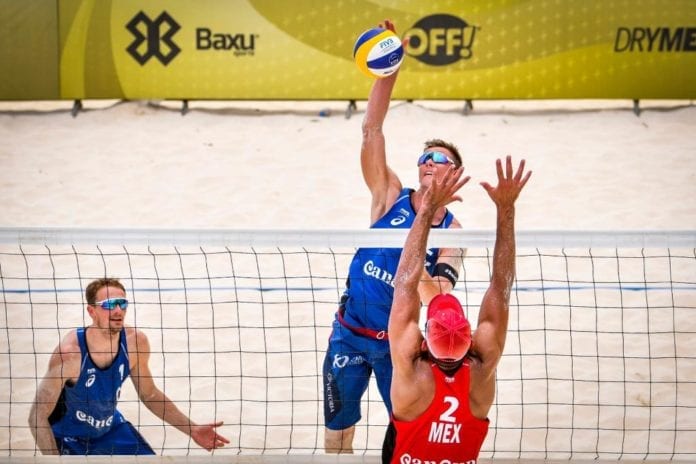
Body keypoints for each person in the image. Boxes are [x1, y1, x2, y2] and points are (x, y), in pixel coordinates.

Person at [323, 19, 466, 453]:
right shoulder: (389, 197)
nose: (429, 161)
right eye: (425, 157)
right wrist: (390, 70)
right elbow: (372, 129)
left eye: (439, 157)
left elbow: (435, 295)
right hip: (349, 333)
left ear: (455, 172)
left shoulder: (454, 233)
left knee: (405, 438)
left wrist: (422, 228)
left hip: (398, 349)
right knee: (337, 437)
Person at [382, 156, 531, 463]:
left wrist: (426, 210)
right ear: (470, 340)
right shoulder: (481, 370)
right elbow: (501, 286)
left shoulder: (411, 372)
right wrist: (506, 208)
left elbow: (405, 283)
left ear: (425, 341)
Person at [28, 277, 230, 455]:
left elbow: (150, 395)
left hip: (109, 429)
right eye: (109, 304)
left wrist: (192, 429)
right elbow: (37, 417)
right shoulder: (70, 355)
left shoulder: (135, 343)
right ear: (92, 311)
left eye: (122, 303)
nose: (118, 310)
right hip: (69, 436)